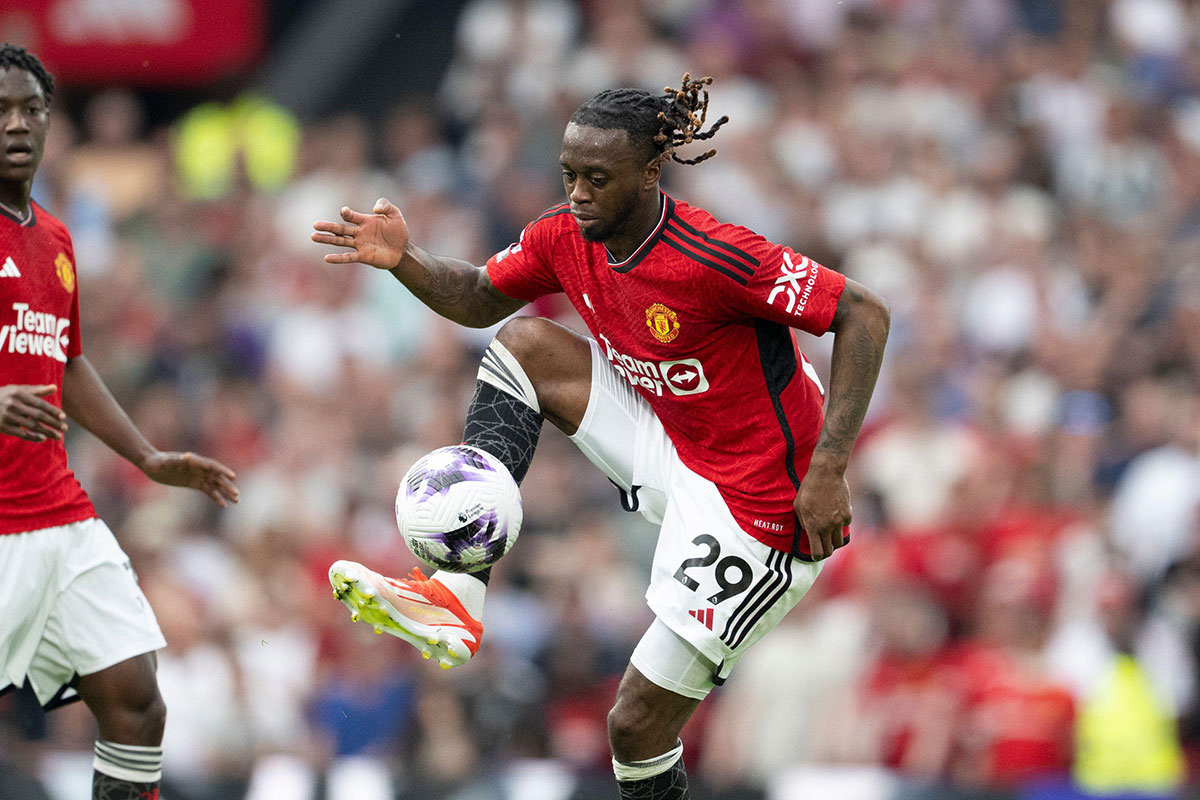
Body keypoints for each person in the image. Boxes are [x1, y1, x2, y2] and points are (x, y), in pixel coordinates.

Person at [314, 74, 889, 800]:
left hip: (763, 507)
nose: (578, 193)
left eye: (596, 178)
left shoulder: (717, 254)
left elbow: (863, 313)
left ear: (650, 173)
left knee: (636, 727)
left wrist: (832, 468)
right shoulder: (565, 236)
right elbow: (477, 298)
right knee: (524, 342)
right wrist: (403, 258)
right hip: (674, 441)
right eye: (569, 175)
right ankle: (459, 595)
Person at [0, 44, 240, 800]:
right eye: (0, 111)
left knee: (137, 703)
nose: (16, 125)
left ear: (51, 125)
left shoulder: (56, 239)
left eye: (30, 110)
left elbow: (67, 363)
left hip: (58, 516)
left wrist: (147, 456)